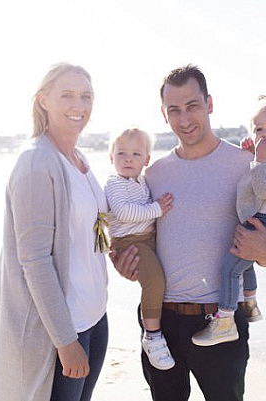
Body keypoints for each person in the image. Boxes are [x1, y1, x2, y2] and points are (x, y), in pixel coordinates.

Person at [112, 64, 266, 401]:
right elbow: (138, 236)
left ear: (209, 104)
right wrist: (123, 262)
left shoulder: (245, 165)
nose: (184, 118)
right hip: (161, 323)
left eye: (192, 106)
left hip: (220, 322)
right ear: (164, 114)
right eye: (174, 109)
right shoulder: (153, 173)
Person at [0, 63, 109, 401]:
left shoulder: (80, 160)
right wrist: (65, 341)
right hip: (62, 332)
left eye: (86, 96)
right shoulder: (36, 163)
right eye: (68, 95)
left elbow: (92, 233)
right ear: (43, 100)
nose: (79, 105)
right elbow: (34, 259)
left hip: (95, 318)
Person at [191, 95, 266, 347]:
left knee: (229, 268)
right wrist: (253, 155)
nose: (265, 135)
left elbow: (264, 190)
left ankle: (225, 321)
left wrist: (259, 160)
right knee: (243, 263)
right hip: (263, 220)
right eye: (258, 129)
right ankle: (250, 303)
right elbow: (252, 183)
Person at [105, 128, 175, 370]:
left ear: (146, 160)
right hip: (130, 241)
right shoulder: (115, 184)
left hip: (147, 237)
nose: (128, 159)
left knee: (164, 273)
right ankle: (152, 335)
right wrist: (157, 209)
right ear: (111, 157)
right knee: (154, 281)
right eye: (121, 153)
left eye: (136, 154)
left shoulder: (142, 181)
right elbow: (124, 213)